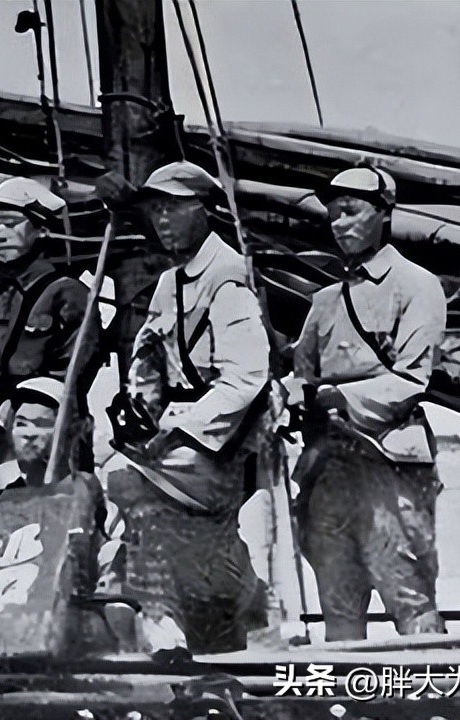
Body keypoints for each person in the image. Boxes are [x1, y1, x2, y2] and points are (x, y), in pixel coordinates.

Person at [104, 161, 271, 655]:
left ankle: (161, 623)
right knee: (129, 486)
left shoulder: (229, 278)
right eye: (156, 210)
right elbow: (150, 358)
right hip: (184, 439)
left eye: (173, 208)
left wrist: (177, 430)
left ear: (204, 211)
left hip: (225, 444)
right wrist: (140, 413)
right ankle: (216, 613)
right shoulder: (171, 282)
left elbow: (245, 378)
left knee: (125, 483)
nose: (162, 219)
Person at [285, 167, 446, 642]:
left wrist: (338, 396)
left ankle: (434, 686)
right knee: (337, 604)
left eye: (351, 211)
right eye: (333, 214)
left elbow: (412, 378)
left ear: (383, 213)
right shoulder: (324, 301)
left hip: (389, 465)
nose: (339, 224)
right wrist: (289, 396)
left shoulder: (416, 285)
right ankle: (341, 689)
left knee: (409, 596)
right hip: (328, 468)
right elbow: (302, 374)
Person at [0, 177, 98, 474]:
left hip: (43, 431)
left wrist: (12, 410)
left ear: (41, 229)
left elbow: (71, 373)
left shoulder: (67, 293)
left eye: (10, 224)